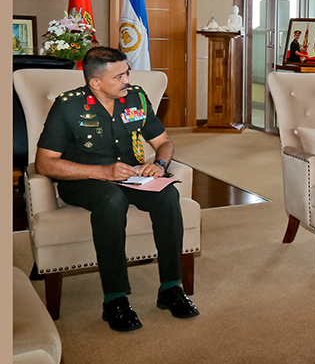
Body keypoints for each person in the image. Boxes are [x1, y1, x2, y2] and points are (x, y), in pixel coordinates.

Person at [34, 46, 199, 332]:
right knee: (112, 199)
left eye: (127, 73)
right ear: (95, 82)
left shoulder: (136, 98)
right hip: (84, 181)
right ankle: (115, 298)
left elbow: (164, 142)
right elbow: (44, 163)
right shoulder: (68, 106)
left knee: (168, 193)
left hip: (129, 176)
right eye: (119, 76)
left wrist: (159, 164)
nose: (127, 81)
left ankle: (171, 288)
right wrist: (101, 172)